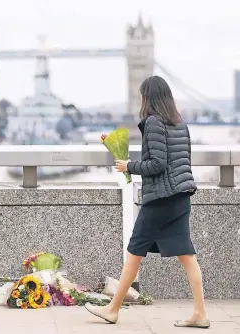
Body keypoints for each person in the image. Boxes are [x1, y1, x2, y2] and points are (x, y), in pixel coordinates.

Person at [85, 76, 210, 329]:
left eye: (142, 95)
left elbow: (158, 164)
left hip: (161, 201)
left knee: (134, 253)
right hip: (181, 197)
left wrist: (128, 165)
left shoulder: (153, 123)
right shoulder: (180, 123)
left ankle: (112, 309)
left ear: (147, 97)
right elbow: (180, 161)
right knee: (187, 256)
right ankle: (200, 313)